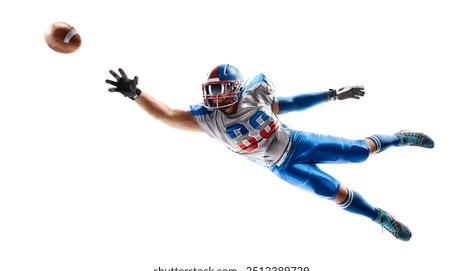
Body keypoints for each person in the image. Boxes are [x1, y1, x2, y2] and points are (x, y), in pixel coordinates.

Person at [105, 64, 434, 241]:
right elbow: (168, 116)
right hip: (280, 166)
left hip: (298, 142)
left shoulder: (253, 98)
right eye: (211, 91)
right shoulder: (210, 121)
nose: (215, 97)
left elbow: (291, 104)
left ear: (236, 88)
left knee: (361, 152)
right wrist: (137, 95)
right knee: (333, 193)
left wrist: (333, 94)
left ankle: (399, 138)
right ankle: (380, 217)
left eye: (220, 89)